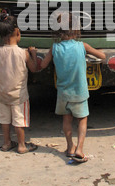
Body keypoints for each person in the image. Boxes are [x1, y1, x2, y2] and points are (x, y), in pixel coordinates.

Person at [41, 12, 106, 163]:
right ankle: (80, 149)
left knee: (67, 121)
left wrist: (31, 54)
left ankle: (70, 146)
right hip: (80, 92)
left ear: (58, 31)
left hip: (63, 93)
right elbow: (102, 56)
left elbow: (42, 65)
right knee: (82, 120)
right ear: (76, 29)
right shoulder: (82, 46)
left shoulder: (54, 48)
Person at [0, 14, 38, 154]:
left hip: (3, 94)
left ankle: (7, 143)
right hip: (19, 95)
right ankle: (21, 145)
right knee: (19, 120)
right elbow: (34, 68)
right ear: (18, 32)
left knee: (5, 120)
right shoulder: (23, 53)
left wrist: (3, 44)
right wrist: (33, 53)